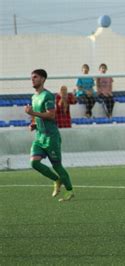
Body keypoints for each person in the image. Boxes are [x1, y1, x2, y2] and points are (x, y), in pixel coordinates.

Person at [25, 69, 74, 201]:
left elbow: (51, 115)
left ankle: (70, 191)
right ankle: (57, 180)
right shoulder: (34, 97)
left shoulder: (48, 96)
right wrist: (34, 123)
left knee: (57, 165)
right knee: (34, 163)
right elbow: (37, 116)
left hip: (51, 137)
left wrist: (33, 114)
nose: (32, 79)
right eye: (32, 77)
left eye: (35, 77)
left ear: (43, 79)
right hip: (39, 137)